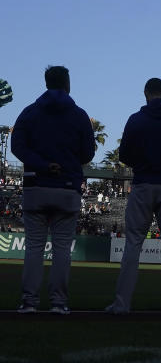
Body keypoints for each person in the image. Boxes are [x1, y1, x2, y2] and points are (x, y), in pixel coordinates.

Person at [11, 66, 96, 314]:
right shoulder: (79, 115)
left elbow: (17, 146)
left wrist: (41, 164)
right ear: (67, 84)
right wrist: (66, 162)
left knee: (34, 248)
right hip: (67, 188)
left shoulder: (30, 112)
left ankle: (29, 302)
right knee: (62, 250)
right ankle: (59, 303)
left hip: (36, 185)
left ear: (46, 83)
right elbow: (88, 152)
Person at [106, 78, 161, 315]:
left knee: (133, 244)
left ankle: (122, 303)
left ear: (145, 94)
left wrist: (144, 165)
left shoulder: (136, 120)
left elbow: (125, 154)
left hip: (143, 184)